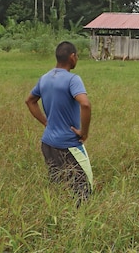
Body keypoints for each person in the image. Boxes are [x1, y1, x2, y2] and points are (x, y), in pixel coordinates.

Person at [25, 41, 93, 205]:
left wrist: (46, 123)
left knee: (58, 189)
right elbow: (85, 104)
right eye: (77, 56)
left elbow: (30, 101)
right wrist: (84, 133)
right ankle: (80, 225)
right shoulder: (73, 80)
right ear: (72, 57)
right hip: (68, 145)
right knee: (84, 191)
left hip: (47, 144)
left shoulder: (45, 78)